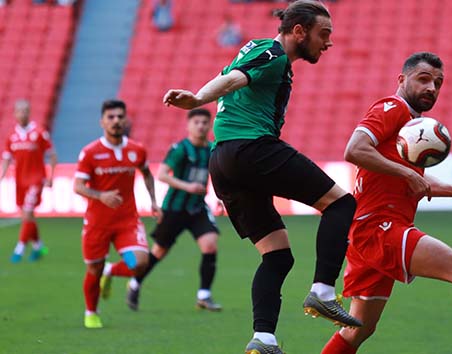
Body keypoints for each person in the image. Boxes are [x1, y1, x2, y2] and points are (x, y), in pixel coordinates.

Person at [162, 1, 362, 352]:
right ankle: (323, 291)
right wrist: (197, 99)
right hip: (251, 150)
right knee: (342, 204)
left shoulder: (258, 50)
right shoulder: (273, 53)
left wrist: (200, 98)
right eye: (323, 34)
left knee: (277, 256)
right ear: (299, 31)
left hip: (222, 160)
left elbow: (234, 76)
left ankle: (263, 338)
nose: (328, 43)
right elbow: (233, 79)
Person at [321, 52, 452, 354]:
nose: (432, 87)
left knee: (358, 331)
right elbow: (354, 149)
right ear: (402, 79)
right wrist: (408, 172)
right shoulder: (391, 107)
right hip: (380, 227)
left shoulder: (412, 126)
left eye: (438, 82)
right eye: (423, 79)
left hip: (369, 231)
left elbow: (410, 183)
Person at [73, 99, 161, 329]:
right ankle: (91, 312)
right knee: (93, 268)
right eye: (111, 117)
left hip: (127, 221)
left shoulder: (136, 150)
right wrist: (101, 196)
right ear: (102, 122)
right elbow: (78, 186)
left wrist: (153, 202)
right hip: (97, 223)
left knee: (139, 263)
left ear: (126, 120)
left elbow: (147, 173)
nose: (116, 121)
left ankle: (110, 270)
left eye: (120, 116)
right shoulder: (90, 153)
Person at [125, 108, 222, 312]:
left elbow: (219, 175)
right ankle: (135, 283)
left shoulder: (212, 149)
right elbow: (162, 175)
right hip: (174, 209)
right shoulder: (180, 149)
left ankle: (204, 296)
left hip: (197, 208)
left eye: (205, 122)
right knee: (159, 251)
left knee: (210, 245)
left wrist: (221, 198)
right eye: (197, 122)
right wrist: (188, 186)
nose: (201, 126)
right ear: (188, 125)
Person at [1, 99, 57, 263]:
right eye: (19, 111)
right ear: (15, 114)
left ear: (29, 112)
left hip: (36, 179)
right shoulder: (12, 136)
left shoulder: (39, 132)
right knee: (28, 215)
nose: (22, 114)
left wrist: (50, 176)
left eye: (25, 111)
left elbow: (52, 154)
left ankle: (19, 249)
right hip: (20, 180)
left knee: (26, 213)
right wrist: (2, 175)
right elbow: (6, 158)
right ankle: (39, 247)